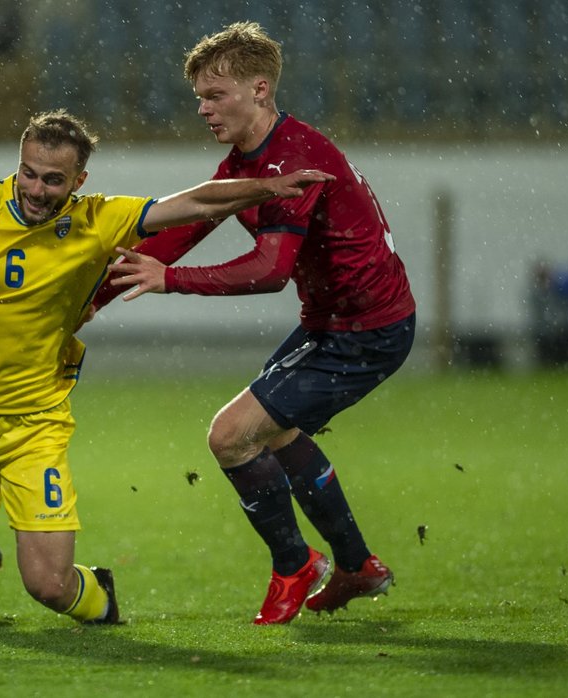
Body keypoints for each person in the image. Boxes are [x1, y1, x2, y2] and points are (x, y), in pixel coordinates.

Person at [0, 109, 331, 625]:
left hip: (33, 421)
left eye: (53, 180)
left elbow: (195, 202)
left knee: (49, 587)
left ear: (78, 181)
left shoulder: (97, 218)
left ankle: (102, 601)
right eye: (29, 172)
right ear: (18, 164)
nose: (37, 188)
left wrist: (270, 188)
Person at [93, 22, 417, 625]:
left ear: (260, 89)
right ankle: (355, 565)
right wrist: (86, 307)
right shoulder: (251, 163)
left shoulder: (295, 159)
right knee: (275, 431)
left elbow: (270, 269)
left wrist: (171, 282)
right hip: (341, 324)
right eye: (199, 97)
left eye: (215, 96)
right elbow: (178, 234)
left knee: (230, 435)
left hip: (363, 330)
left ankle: (296, 563)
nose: (202, 109)